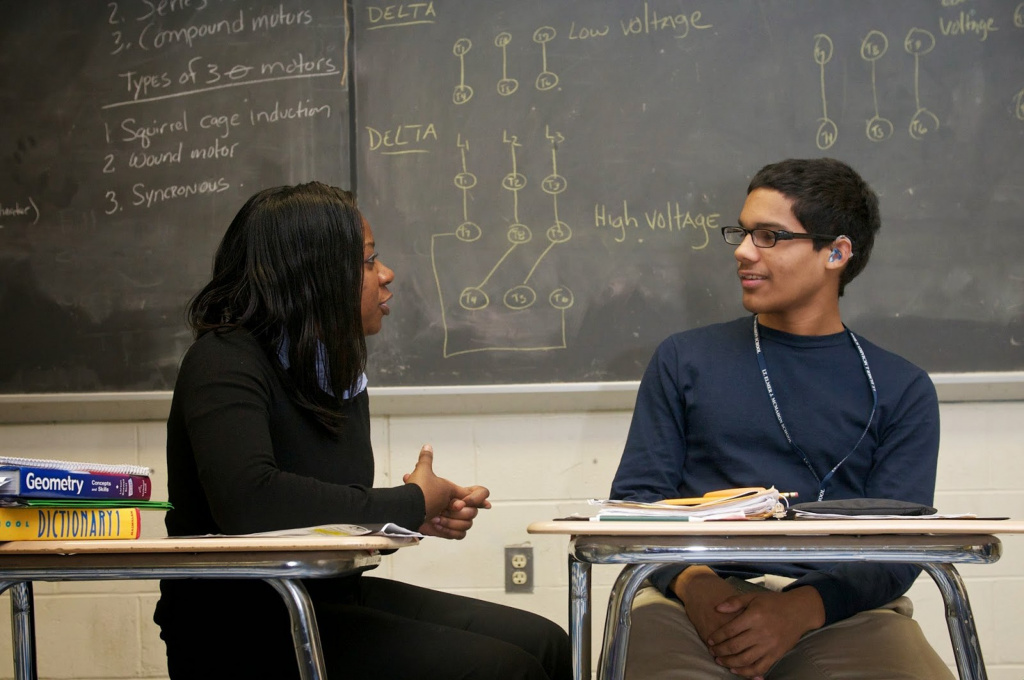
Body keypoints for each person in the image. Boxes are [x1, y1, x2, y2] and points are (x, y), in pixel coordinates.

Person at [154, 182, 571, 680]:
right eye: (369, 262)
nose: (386, 275)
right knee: (505, 670)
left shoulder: (331, 366)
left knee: (546, 642)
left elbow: (326, 500)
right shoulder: (223, 362)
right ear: (314, 276)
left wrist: (413, 513)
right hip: (240, 622)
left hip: (328, 595)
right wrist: (410, 501)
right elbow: (251, 501)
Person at [609, 158, 953, 680]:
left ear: (835, 252)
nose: (743, 252)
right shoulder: (684, 360)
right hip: (689, 602)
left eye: (769, 236)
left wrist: (799, 610)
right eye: (743, 233)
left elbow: (897, 549)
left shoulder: (903, 388)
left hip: (840, 611)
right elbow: (636, 502)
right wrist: (698, 588)